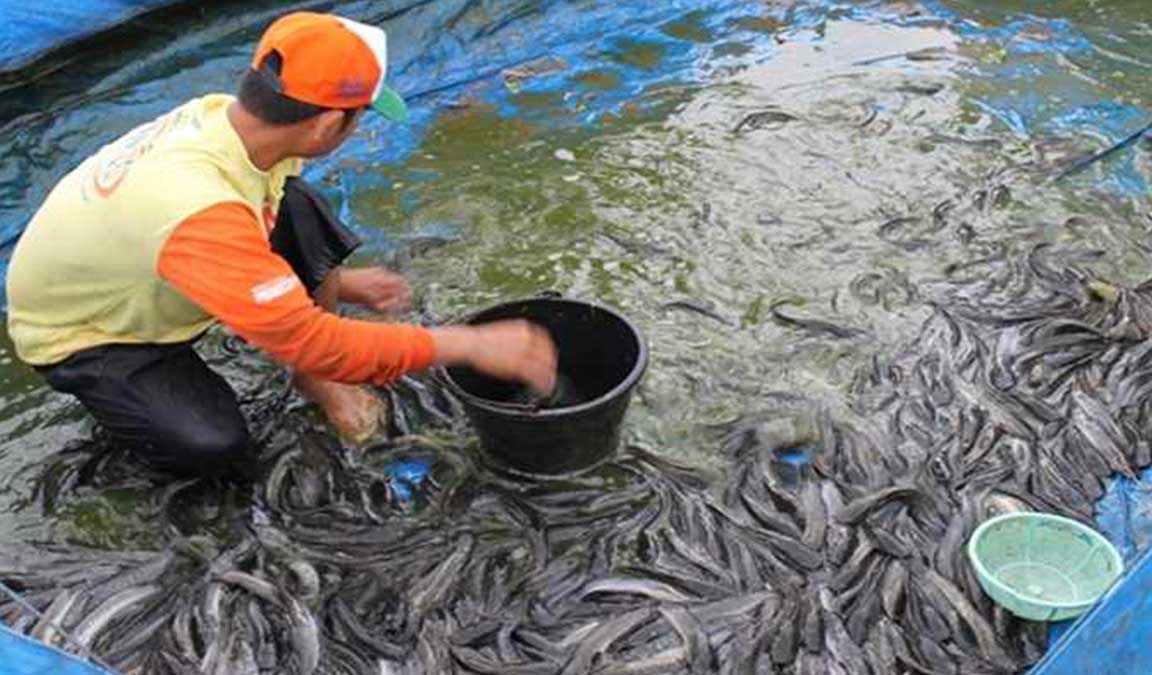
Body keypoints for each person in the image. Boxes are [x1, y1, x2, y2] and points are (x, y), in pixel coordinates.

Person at [5, 12, 557, 479]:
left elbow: (275, 215)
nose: (360, 128)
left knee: (296, 201)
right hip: (91, 332)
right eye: (359, 117)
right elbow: (315, 339)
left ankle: (315, 377)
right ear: (325, 127)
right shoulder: (199, 210)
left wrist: (343, 285)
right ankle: (169, 386)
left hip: (157, 262)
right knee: (214, 446)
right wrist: (470, 345)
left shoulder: (229, 119)